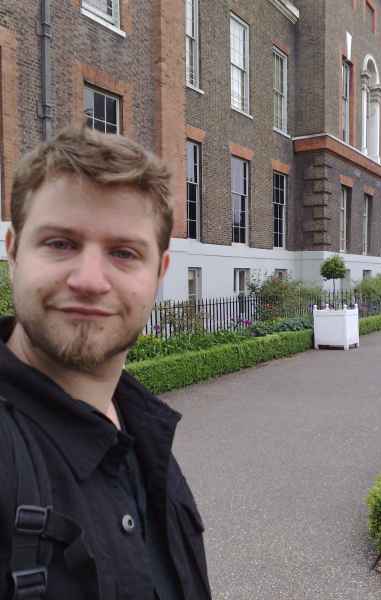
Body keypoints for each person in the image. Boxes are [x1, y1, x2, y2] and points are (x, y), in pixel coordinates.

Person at [0, 127, 211, 600]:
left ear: (159, 273)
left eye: (123, 253)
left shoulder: (143, 431)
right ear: (13, 252)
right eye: (60, 243)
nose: (90, 281)